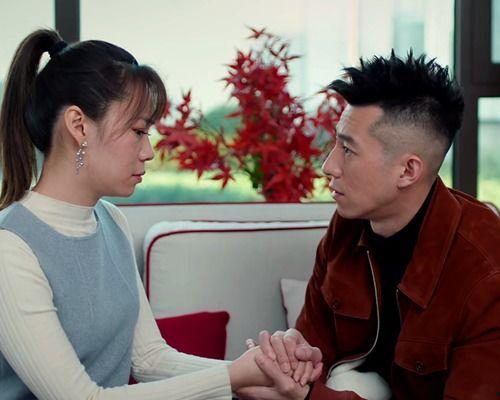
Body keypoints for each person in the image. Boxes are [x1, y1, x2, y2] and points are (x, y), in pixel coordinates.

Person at [0, 29, 322, 400]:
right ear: (79, 125)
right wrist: (234, 376)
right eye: (138, 130)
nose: (149, 151)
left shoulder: (110, 221)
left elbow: (149, 358)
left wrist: (258, 372)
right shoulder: (11, 247)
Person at [253, 51, 500, 399]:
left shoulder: (486, 272)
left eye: (348, 150)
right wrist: (291, 354)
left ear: (408, 171)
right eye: (336, 143)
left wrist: (308, 397)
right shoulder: (347, 226)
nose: (328, 166)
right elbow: (311, 348)